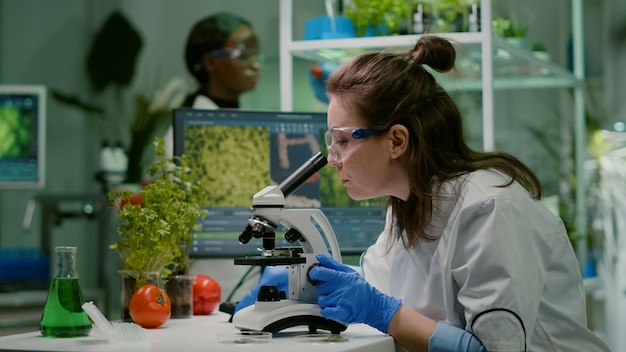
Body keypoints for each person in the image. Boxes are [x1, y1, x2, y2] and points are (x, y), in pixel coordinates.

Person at [304, 36, 612, 351]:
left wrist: (380, 311)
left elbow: (493, 349)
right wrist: (311, 282)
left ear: (397, 141)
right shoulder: (407, 207)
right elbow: (389, 289)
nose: (331, 159)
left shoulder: (489, 209)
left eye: (341, 140)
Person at [164, 12, 261, 156]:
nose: (256, 65)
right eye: (242, 54)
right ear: (211, 62)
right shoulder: (188, 131)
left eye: (256, 54)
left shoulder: (246, 122)